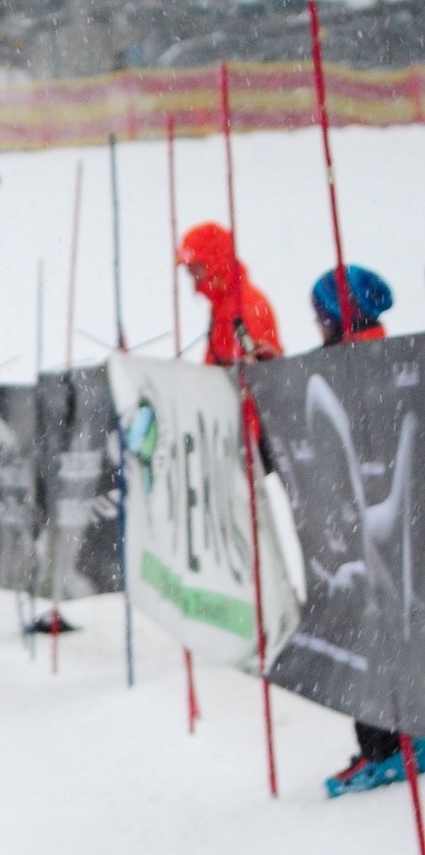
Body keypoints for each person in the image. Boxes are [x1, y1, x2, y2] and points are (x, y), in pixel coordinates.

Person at [308, 265, 420, 794]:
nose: (316, 326)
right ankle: (393, 738)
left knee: (372, 626)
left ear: (337, 317)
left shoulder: (357, 367)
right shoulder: (384, 360)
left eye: (321, 317)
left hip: (377, 527)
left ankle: (390, 744)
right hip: (382, 528)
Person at [177, 222, 282, 364]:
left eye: (195, 266)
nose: (190, 274)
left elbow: (259, 372)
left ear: (214, 262)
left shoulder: (246, 305)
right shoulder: (223, 305)